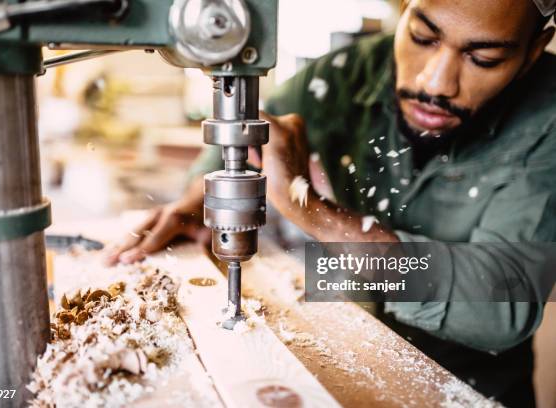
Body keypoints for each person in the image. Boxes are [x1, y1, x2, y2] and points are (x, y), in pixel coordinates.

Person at [107, 0, 556, 405]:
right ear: (402, 9)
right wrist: (199, 203)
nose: (435, 82)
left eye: (483, 58)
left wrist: (313, 213)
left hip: (463, 389)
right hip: (333, 358)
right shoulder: (344, 73)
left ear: (535, 49)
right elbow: (241, 141)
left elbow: (503, 303)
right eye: (422, 37)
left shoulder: (548, 115)